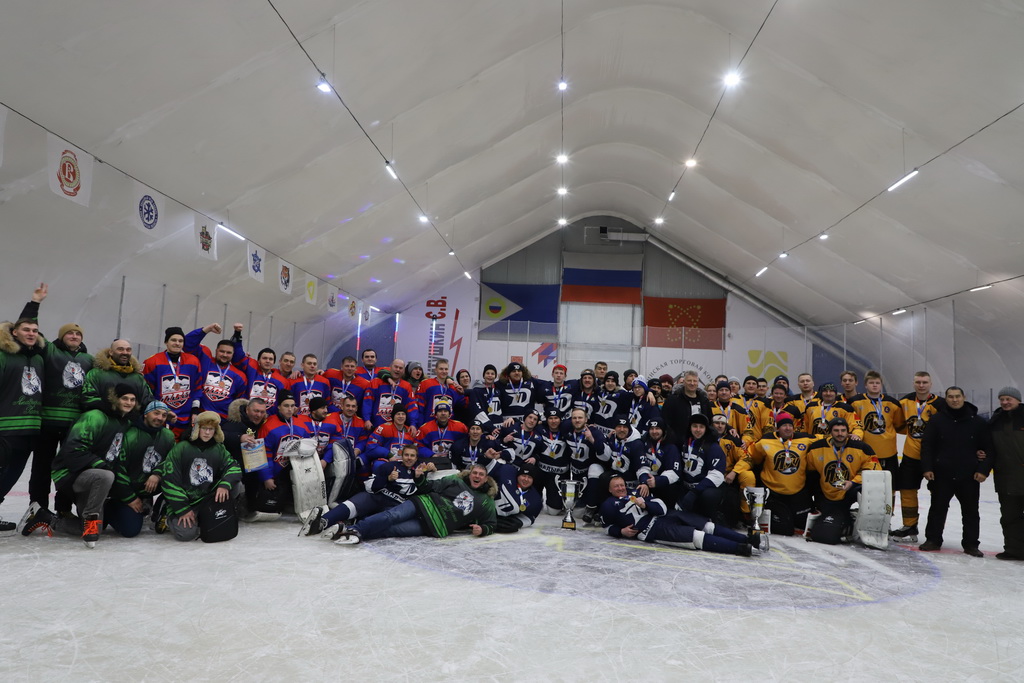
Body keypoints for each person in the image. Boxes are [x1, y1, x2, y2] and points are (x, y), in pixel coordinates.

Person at [16, 283, 94, 526]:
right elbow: (27, 330)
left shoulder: (89, 360)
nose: (74, 336)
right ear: (61, 336)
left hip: (74, 425)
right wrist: (34, 303)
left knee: (69, 467)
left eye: (78, 334)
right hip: (47, 423)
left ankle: (63, 509)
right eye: (70, 333)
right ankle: (37, 508)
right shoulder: (49, 351)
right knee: (41, 467)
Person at [49, 383, 138, 547]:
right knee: (106, 475)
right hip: (70, 473)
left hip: (95, 476)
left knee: (97, 530)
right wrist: (101, 465)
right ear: (114, 399)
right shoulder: (94, 417)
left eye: (132, 400)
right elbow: (72, 450)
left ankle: (49, 520)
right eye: (124, 398)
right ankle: (90, 517)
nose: (129, 403)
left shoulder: (125, 422)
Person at [599, 474, 765, 557]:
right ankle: (741, 549)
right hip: (652, 529)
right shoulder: (608, 505)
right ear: (609, 489)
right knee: (696, 536)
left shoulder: (636, 491)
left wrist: (646, 505)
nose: (621, 488)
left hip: (666, 516)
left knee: (706, 525)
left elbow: (661, 507)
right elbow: (606, 527)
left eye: (622, 485)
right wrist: (620, 532)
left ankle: (747, 539)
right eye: (616, 486)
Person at [333, 462, 498, 544]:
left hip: (434, 525)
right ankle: (355, 529)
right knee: (392, 516)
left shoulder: (486, 501)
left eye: (481, 474)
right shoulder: (456, 480)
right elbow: (431, 486)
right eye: (475, 473)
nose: (477, 476)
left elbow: (491, 523)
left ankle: (355, 535)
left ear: (486, 478)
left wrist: (483, 529)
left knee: (392, 530)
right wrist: (419, 478)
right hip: (422, 504)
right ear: (470, 474)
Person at [302, 443, 436, 537]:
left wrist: (431, 471)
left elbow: (424, 491)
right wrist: (387, 479)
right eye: (406, 455)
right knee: (359, 500)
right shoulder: (390, 466)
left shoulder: (420, 471)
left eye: (412, 456)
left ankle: (347, 530)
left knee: (384, 519)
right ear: (401, 455)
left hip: (394, 507)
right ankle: (323, 522)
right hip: (376, 497)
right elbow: (369, 486)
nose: (409, 458)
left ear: (416, 458)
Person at [918, 387, 987, 556]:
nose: (954, 400)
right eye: (950, 397)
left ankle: (971, 544)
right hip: (942, 473)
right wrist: (927, 468)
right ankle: (933, 539)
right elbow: (927, 446)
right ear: (946, 398)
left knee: (971, 511)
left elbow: (988, 448)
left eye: (957, 396)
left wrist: (983, 470)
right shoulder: (937, 420)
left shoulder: (977, 422)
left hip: (969, 474)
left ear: (964, 397)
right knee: (937, 508)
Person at [158, 411, 242, 542]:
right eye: (204, 428)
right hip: (186, 500)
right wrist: (182, 509)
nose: (207, 433)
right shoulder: (181, 448)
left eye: (211, 429)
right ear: (197, 428)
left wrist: (224, 484)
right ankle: (167, 514)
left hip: (206, 498)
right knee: (186, 535)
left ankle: (207, 515)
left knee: (236, 486)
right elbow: (169, 480)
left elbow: (234, 467)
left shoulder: (219, 448)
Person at [0, 314, 46, 533]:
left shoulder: (38, 359)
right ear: (14, 332)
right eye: (26, 329)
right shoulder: (3, 356)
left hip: (30, 427)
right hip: (6, 427)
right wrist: (35, 302)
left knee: (12, 475)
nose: (31, 333)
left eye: (35, 330)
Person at [105, 400, 176, 538]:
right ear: (146, 414)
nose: (160, 418)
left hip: (149, 486)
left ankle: (161, 506)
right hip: (125, 489)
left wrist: (157, 474)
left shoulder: (168, 435)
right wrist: (130, 498)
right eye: (156, 413)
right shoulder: (130, 435)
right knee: (131, 530)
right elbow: (116, 468)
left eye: (164, 415)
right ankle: (109, 506)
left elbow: (173, 460)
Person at [736, 413, 816, 535]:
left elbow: (827, 439)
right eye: (784, 425)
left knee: (802, 523)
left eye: (790, 425)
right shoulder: (765, 441)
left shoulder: (805, 439)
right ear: (777, 428)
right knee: (785, 529)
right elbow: (753, 458)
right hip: (774, 493)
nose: (788, 428)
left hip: (797, 492)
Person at [805, 418, 880, 545]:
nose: (840, 434)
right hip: (828, 495)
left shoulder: (862, 448)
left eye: (843, 430)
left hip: (850, 491)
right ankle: (845, 518)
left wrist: (853, 482)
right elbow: (810, 472)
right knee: (825, 535)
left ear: (848, 432)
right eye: (836, 430)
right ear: (830, 432)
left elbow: (874, 469)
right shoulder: (816, 448)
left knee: (870, 488)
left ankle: (866, 521)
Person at [893, 371, 945, 542]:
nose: (921, 385)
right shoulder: (904, 402)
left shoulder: (940, 404)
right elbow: (898, 424)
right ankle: (909, 525)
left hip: (934, 458)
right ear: (913, 383)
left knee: (938, 494)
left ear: (931, 384)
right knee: (907, 489)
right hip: (911, 455)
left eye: (924, 382)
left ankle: (934, 533)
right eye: (918, 382)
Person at [980, 387, 1024, 560]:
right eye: (1002, 399)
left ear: (1018, 400)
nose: (1005, 402)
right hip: (1006, 478)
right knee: (1009, 517)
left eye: (1008, 399)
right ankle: (1014, 550)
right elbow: (989, 448)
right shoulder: (995, 420)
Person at [142, 327, 203, 438]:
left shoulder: (193, 361)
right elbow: (148, 392)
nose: (177, 343)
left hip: (185, 419)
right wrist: (161, 411)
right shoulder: (152, 362)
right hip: (162, 418)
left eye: (180, 341)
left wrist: (195, 411)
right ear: (166, 342)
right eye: (173, 340)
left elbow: (197, 389)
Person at [848, 370, 905, 484]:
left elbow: (899, 424)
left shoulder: (892, 403)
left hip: (888, 452)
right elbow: (852, 423)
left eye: (877, 383)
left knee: (890, 485)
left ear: (881, 384)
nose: (874, 385)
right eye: (871, 383)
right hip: (865, 452)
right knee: (867, 484)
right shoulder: (855, 402)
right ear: (865, 385)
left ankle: (890, 498)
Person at [184, 324, 248, 418]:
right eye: (222, 351)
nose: (225, 355)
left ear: (233, 354)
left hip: (223, 420)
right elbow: (187, 343)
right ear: (216, 350)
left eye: (228, 353)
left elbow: (238, 403)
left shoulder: (240, 376)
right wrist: (207, 329)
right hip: (200, 415)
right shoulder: (206, 360)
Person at [676, 414, 726, 520]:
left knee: (709, 495)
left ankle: (711, 518)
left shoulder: (713, 447)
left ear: (706, 428)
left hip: (703, 488)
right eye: (695, 426)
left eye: (701, 427)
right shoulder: (683, 442)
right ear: (690, 427)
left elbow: (717, 475)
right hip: (686, 485)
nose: (698, 430)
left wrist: (695, 492)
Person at [636, 418, 681, 507]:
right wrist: (644, 482)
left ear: (663, 430)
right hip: (647, 481)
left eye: (657, 428)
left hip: (663, 485)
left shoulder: (671, 447)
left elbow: (674, 472)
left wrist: (657, 481)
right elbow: (640, 465)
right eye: (652, 429)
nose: (654, 432)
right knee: (639, 491)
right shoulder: (644, 443)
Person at [660, 370, 712, 446]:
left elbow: (709, 420)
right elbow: (666, 420)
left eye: (695, 381)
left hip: (699, 442)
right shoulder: (673, 399)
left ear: (698, 383)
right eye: (689, 381)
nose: (692, 383)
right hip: (678, 443)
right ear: (684, 382)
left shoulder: (704, 400)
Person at [531, 410, 569, 513]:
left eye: (556, 418)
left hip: (558, 474)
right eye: (550, 418)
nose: (553, 421)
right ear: (546, 420)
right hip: (541, 471)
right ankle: (538, 498)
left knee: (554, 511)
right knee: (534, 507)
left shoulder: (567, 430)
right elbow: (526, 424)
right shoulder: (540, 428)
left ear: (560, 419)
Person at [363, 403, 419, 470]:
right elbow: (371, 447)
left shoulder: (411, 431)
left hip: (406, 462)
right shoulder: (383, 428)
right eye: (398, 414)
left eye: (403, 414)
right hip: (388, 460)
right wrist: (388, 454)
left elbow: (417, 448)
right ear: (393, 416)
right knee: (378, 465)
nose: (401, 416)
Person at [493, 462, 543, 533]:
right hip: (484, 509)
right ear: (518, 475)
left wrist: (519, 522)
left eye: (529, 477)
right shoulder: (506, 475)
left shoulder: (535, 498)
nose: (526, 479)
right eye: (523, 475)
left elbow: (531, 517)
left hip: (500, 518)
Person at [366, 360, 418, 427]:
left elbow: (411, 406)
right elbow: (368, 402)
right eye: (396, 367)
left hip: (397, 427)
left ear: (403, 371)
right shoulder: (376, 382)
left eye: (400, 368)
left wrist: (413, 423)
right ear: (390, 367)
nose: (398, 370)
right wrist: (367, 419)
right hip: (376, 426)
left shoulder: (406, 386)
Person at [238, 347, 289, 416]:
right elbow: (238, 358)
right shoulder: (252, 371)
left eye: (271, 359)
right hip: (249, 416)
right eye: (264, 358)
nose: (268, 361)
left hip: (270, 418)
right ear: (258, 361)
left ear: (274, 362)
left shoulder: (282, 381)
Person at [416, 357, 466, 425]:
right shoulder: (426, 384)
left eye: (446, 369)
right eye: (441, 369)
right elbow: (420, 407)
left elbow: (462, 405)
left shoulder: (452, 387)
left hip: (448, 426)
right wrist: (419, 424)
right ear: (435, 370)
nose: (444, 371)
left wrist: (462, 393)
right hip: (430, 424)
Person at [496, 362, 540, 426]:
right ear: (508, 374)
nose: (517, 373)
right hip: (508, 423)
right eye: (514, 371)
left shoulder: (532, 382)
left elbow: (548, 386)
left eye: (519, 371)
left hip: (526, 424)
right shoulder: (500, 384)